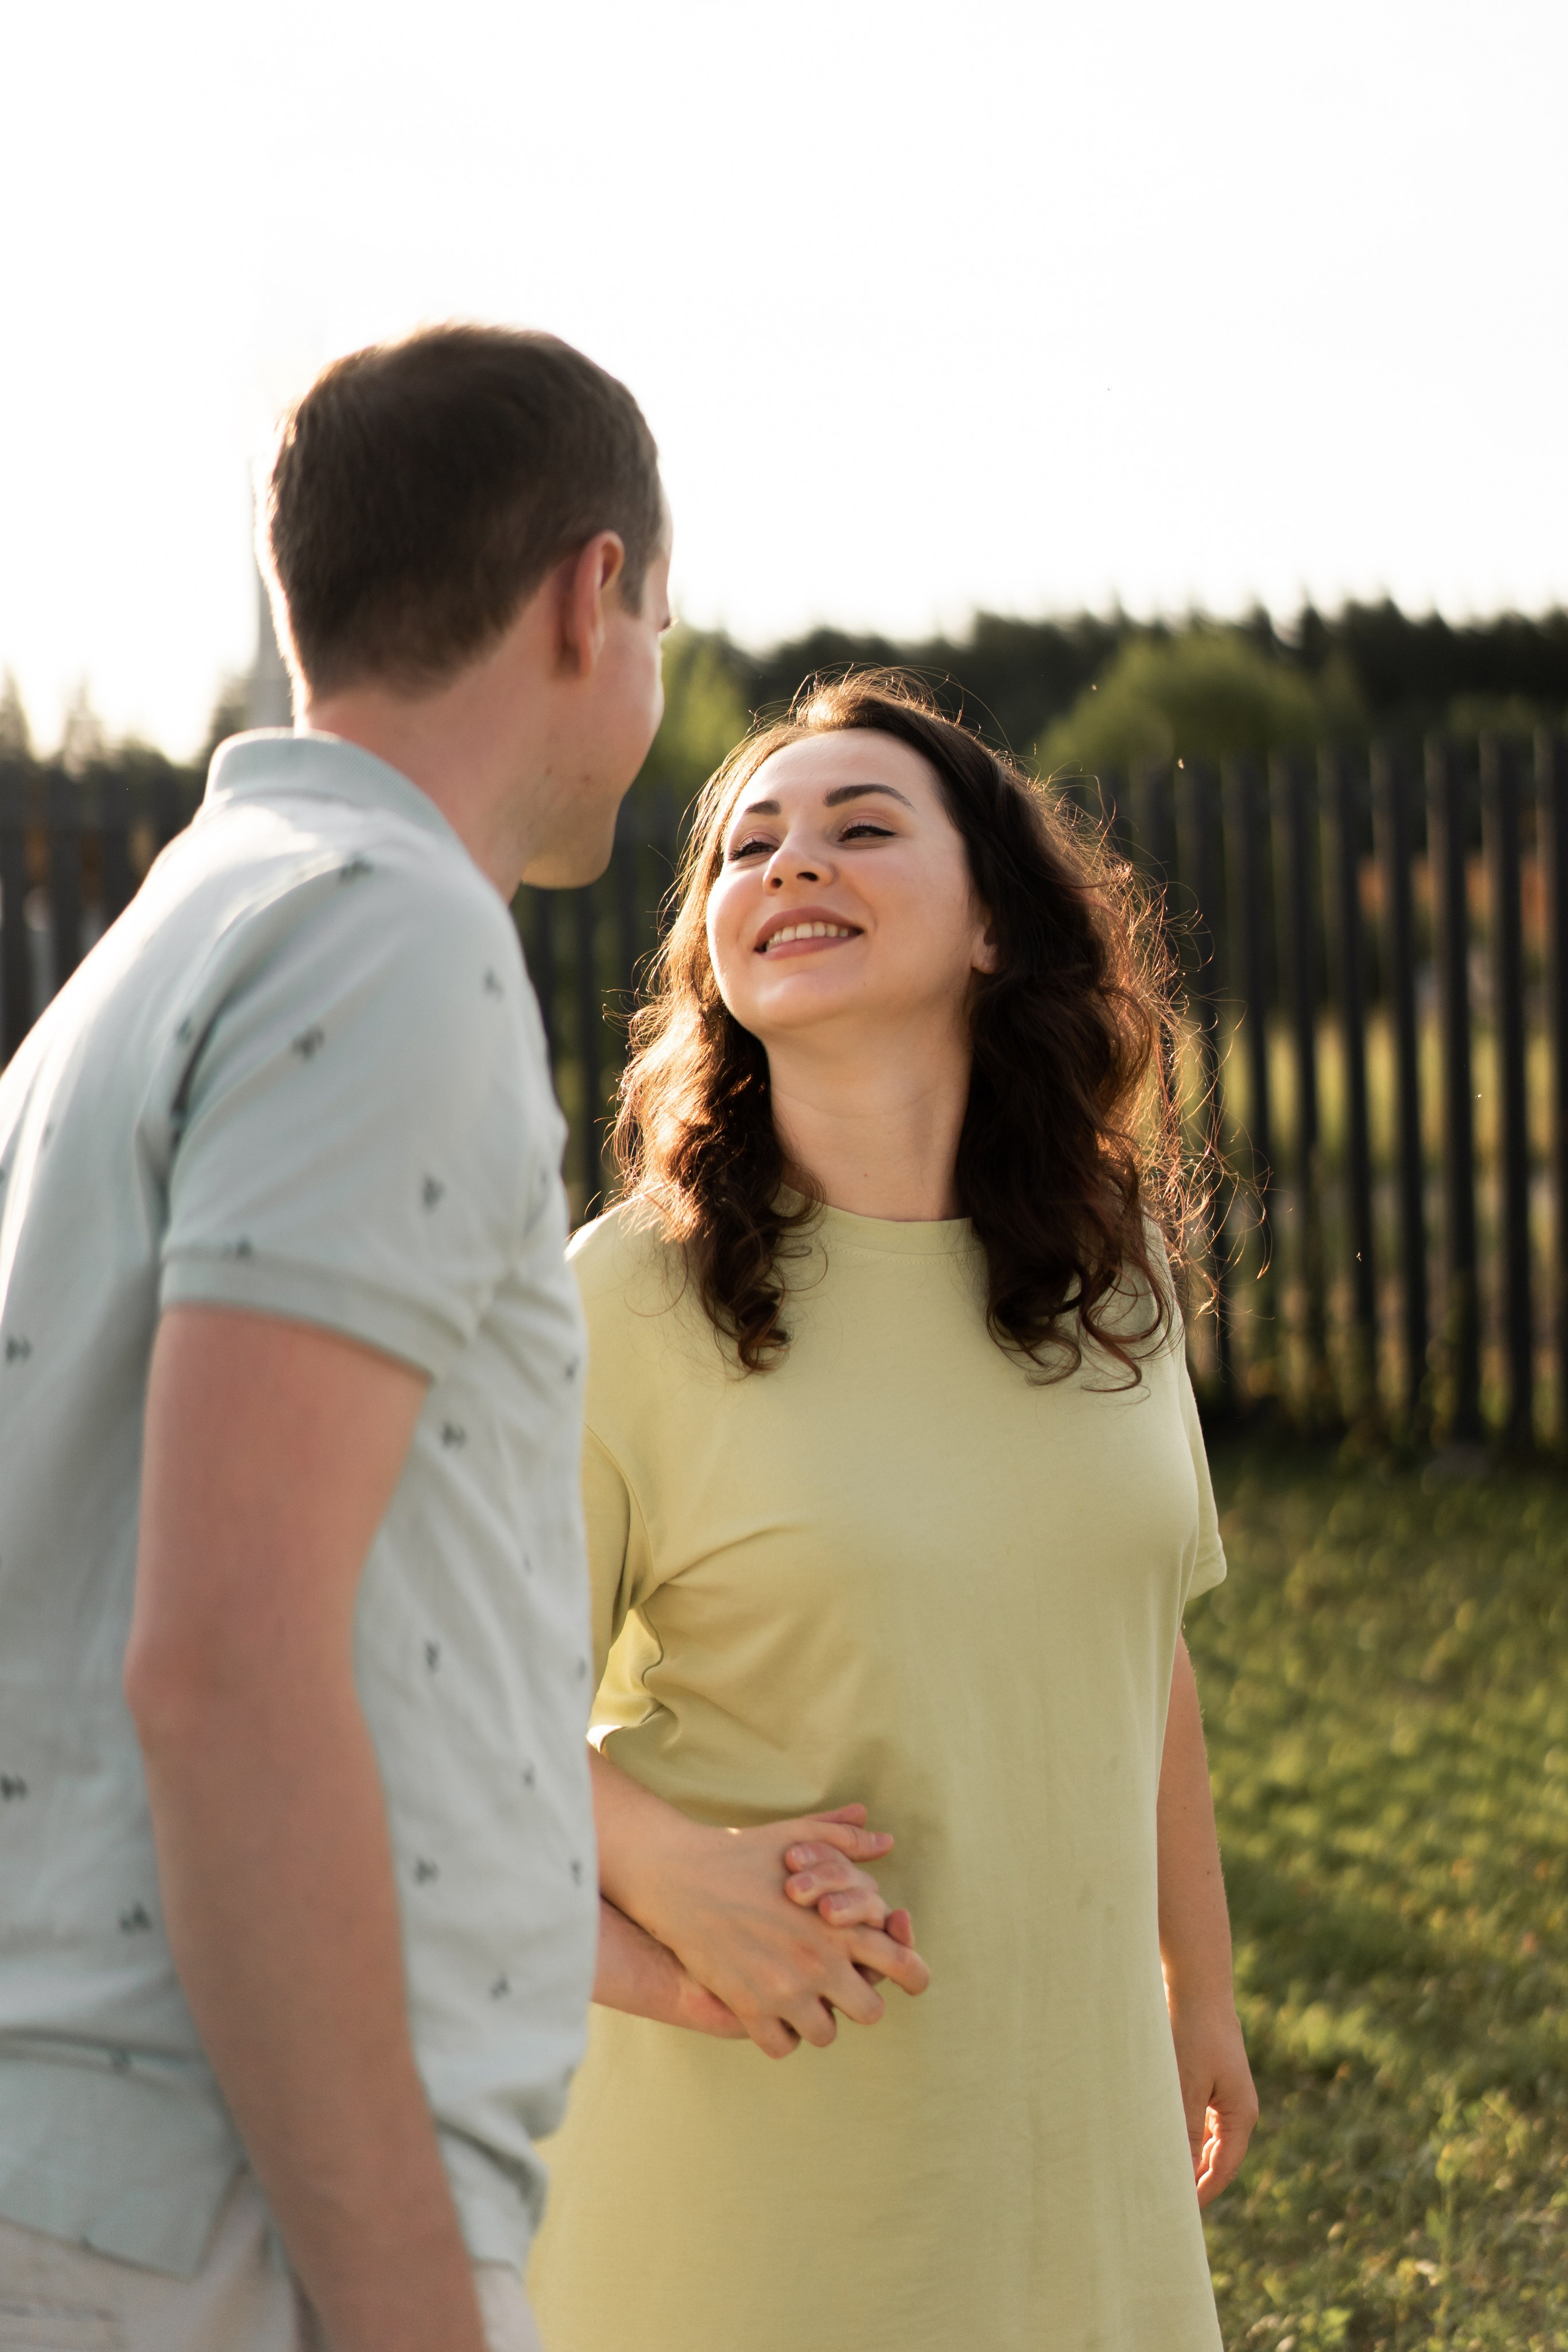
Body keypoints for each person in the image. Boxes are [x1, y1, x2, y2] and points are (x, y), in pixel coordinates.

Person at [0, 322, 698, 2352]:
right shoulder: (389, 936)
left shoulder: (173, 940)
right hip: (231, 2218)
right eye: (662, 620)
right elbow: (226, 1663)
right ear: (588, 597)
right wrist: (407, 2302)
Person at [527, 671, 1259, 2352]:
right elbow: (443, 1728)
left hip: (1070, 2131)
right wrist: (673, 1868)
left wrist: (1201, 1991)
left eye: (862, 827)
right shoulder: (625, 1301)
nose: (791, 863)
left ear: (995, 925)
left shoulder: (1116, 1281)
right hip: (747, 2156)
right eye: (749, 847)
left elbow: (1136, 1648)